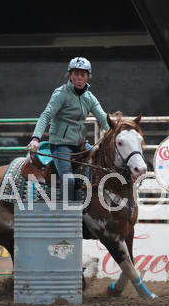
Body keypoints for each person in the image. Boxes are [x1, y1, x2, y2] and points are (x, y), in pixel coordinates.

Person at [27, 57, 110, 201]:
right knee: (69, 181)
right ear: (70, 75)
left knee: (102, 164)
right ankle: (68, 212)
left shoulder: (89, 97)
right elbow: (46, 115)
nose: (79, 78)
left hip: (81, 145)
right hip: (61, 145)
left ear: (87, 77)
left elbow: (103, 118)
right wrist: (36, 138)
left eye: (83, 74)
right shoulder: (61, 93)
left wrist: (115, 132)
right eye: (76, 74)